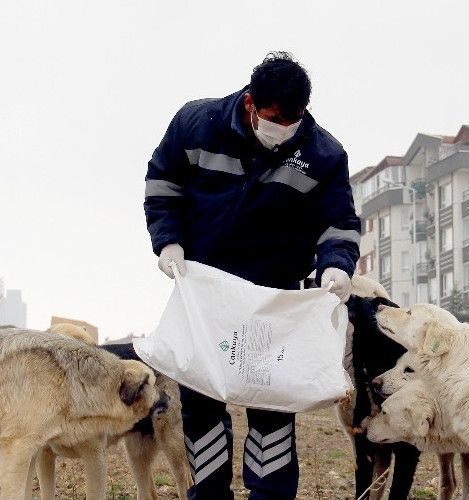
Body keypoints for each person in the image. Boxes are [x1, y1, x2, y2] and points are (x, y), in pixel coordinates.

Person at [143, 51, 360, 499]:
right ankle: (208, 493)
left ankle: (271, 494)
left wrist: (336, 265)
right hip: (205, 291)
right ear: (250, 104)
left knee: (271, 405)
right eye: (275, 117)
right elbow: (163, 182)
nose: (285, 125)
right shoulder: (197, 123)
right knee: (201, 402)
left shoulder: (322, 154)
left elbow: (338, 221)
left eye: (295, 117)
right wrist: (168, 241)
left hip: (272, 297)